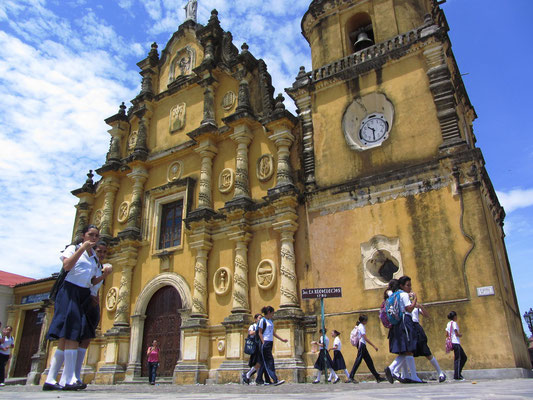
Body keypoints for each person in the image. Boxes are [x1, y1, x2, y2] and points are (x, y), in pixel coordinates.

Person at [44, 225, 100, 391]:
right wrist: (82, 248)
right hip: (69, 291)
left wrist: (105, 275)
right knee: (72, 333)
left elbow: (92, 280)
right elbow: (67, 266)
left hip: (83, 294)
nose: (94, 237)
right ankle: (69, 379)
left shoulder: (94, 257)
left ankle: (51, 379)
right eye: (91, 234)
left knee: (68, 335)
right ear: (83, 235)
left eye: (96, 235)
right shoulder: (73, 248)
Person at [75, 241, 112, 385]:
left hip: (92, 304)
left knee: (86, 337)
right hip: (83, 301)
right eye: (99, 251)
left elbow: (95, 283)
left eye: (104, 252)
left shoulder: (98, 267)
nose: (101, 254)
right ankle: (67, 375)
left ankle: (76, 374)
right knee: (72, 337)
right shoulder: (88, 264)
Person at [384, 276, 424, 384]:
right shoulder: (403, 295)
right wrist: (415, 299)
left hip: (398, 324)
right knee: (409, 348)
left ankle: (408, 374)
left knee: (407, 350)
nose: (410, 288)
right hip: (405, 321)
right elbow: (409, 309)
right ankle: (394, 369)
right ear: (401, 285)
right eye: (408, 285)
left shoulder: (394, 295)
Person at [407, 300, 446, 382]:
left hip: (416, 327)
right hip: (408, 327)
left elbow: (426, 315)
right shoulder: (404, 305)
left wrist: (420, 306)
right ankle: (406, 375)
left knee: (426, 351)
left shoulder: (416, 307)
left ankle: (440, 372)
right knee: (407, 352)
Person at [256, 306, 287, 386]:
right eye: (273, 313)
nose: (273, 315)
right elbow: (260, 333)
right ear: (269, 312)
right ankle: (275, 379)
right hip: (265, 342)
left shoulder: (270, 321)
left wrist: (282, 339)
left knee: (264, 362)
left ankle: (259, 379)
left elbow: (273, 333)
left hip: (270, 342)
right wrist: (263, 342)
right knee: (270, 361)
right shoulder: (262, 320)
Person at [348, 315, 385, 383]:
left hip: (362, 345)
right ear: (364, 321)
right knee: (358, 361)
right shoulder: (361, 327)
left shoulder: (360, 326)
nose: (367, 321)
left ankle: (377, 377)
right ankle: (351, 376)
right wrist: (374, 346)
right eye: (366, 320)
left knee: (369, 361)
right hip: (362, 345)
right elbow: (365, 338)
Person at [242, 313, 271, 385]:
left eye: (261, 318)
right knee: (260, 362)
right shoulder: (253, 326)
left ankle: (258, 378)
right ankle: (250, 375)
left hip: (261, 346)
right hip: (256, 347)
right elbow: (250, 333)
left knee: (261, 363)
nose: (260, 319)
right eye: (259, 318)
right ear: (255, 319)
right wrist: (258, 331)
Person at [447, 311, 467, 381]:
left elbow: (447, 334)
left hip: (452, 342)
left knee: (463, 357)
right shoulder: (454, 323)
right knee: (458, 359)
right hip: (456, 342)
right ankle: (457, 375)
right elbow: (456, 333)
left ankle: (458, 373)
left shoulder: (448, 324)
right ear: (454, 316)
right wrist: (460, 335)